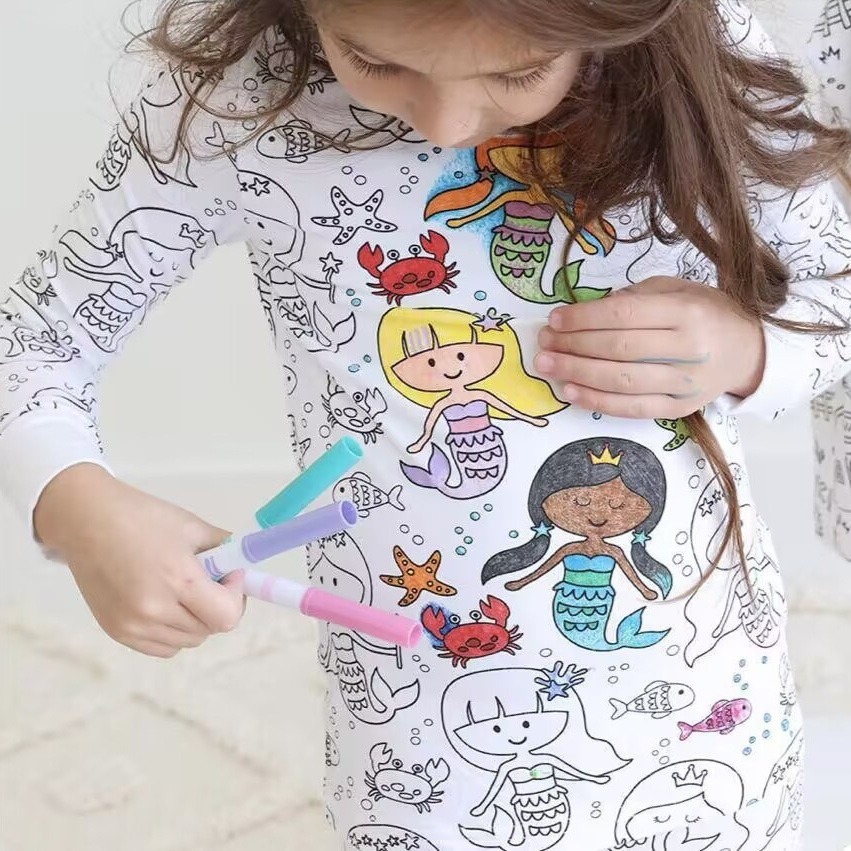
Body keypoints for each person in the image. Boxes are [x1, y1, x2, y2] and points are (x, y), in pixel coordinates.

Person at [2, 0, 850, 847]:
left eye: (517, 72)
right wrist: (77, 505)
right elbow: (31, 344)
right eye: (373, 59)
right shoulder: (235, 97)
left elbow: (834, 294)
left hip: (704, 706)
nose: (445, 123)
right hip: (420, 744)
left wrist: (747, 351)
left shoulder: (695, 47)